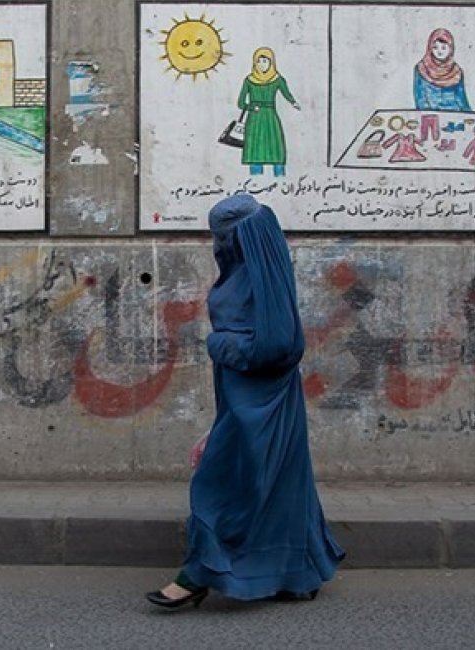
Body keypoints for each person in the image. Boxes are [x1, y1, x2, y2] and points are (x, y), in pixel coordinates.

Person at [147, 193, 344, 610]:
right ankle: (297, 575)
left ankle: (196, 574)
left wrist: (217, 343)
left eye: (223, 236)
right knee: (277, 484)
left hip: (261, 401)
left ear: (241, 237)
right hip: (244, 398)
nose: (217, 244)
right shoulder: (250, 270)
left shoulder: (260, 277)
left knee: (225, 483)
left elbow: (277, 347)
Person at [237, 48, 300, 178]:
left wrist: (293, 102)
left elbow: (286, 93)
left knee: (276, 151)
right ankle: (255, 181)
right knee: (255, 153)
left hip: (270, 118)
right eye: (259, 61)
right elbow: (240, 103)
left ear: (271, 62)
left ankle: (280, 181)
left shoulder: (277, 79)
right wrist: (251, 107)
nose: (262, 64)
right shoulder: (249, 80)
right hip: (254, 120)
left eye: (265, 61)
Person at [413, 28, 471, 111]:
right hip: (432, 116)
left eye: (443, 48)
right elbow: (421, 99)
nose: (439, 51)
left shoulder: (456, 71)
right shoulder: (422, 69)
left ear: (451, 49)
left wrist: (469, 116)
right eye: (435, 47)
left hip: (454, 116)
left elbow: (461, 99)